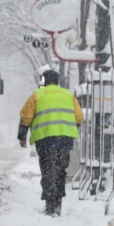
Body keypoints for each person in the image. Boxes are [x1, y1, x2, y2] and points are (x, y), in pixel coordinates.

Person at [19, 69, 83, 216]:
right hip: (65, 140)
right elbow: (79, 117)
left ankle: (49, 204)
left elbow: (26, 116)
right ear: (58, 81)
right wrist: (71, 129)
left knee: (48, 170)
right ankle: (58, 204)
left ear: (44, 81)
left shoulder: (37, 95)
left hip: (45, 139)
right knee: (60, 170)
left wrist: (22, 136)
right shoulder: (69, 95)